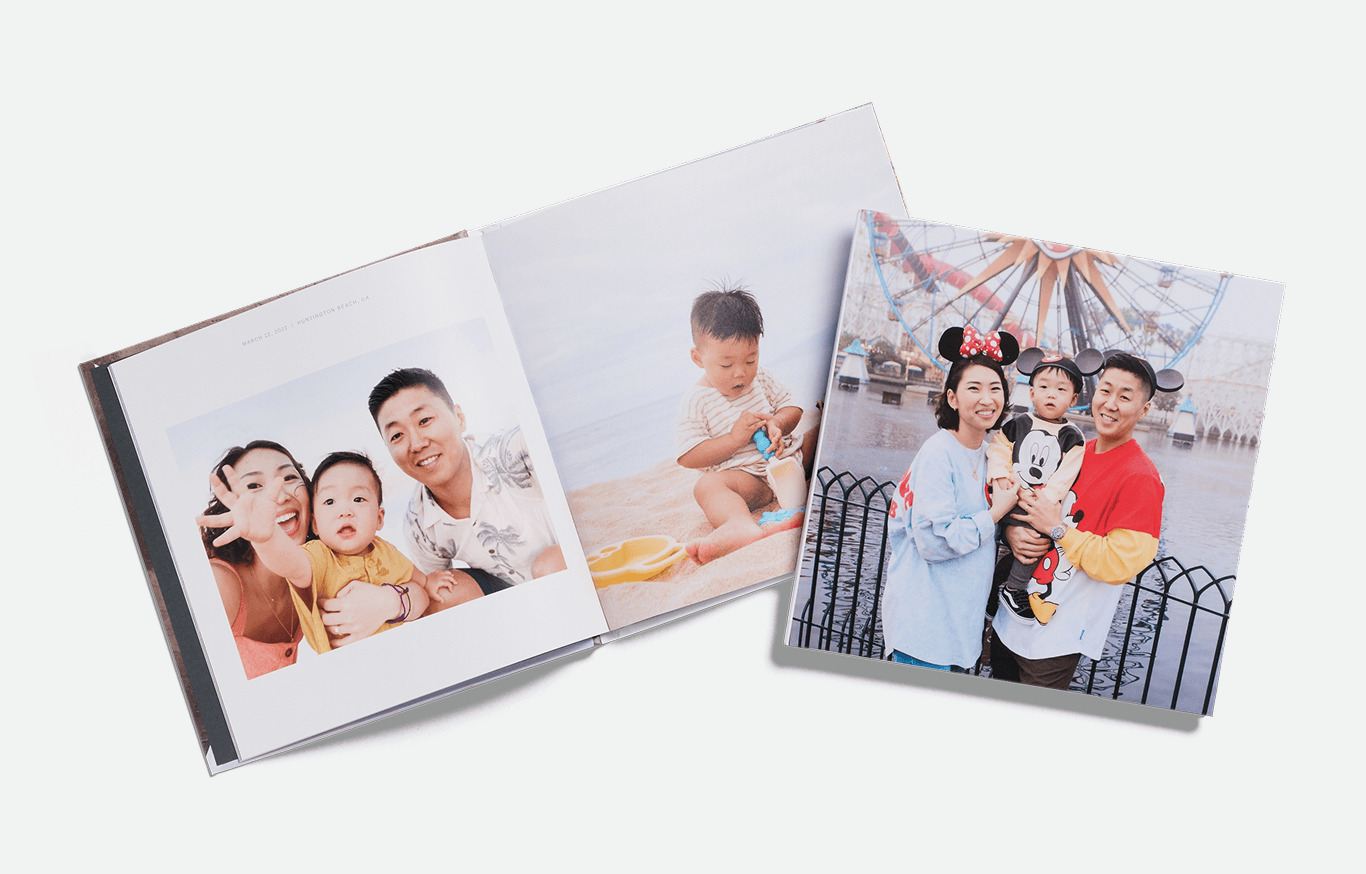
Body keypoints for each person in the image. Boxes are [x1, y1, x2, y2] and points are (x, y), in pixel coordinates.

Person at [991, 351, 1178, 689]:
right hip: (1011, 617)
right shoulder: (1073, 450)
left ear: (1145, 409)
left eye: (1125, 396)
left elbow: (1120, 562)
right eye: (1106, 391)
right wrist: (1011, 532)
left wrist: (1057, 529)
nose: (1111, 403)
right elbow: (1021, 498)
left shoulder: (1141, 477)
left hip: (1056, 637)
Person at [880, 326, 1022, 672]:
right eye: (974, 388)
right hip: (924, 631)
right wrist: (994, 515)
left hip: (962, 632)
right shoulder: (938, 454)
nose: (987, 399)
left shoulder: (993, 457)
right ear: (952, 398)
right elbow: (932, 542)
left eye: (995, 389)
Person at [199, 451, 432, 654]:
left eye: (358, 499)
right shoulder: (318, 557)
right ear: (316, 523)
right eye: (330, 501)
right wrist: (266, 536)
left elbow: (421, 585)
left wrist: (395, 600)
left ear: (380, 517)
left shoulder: (385, 550)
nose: (344, 511)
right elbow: (291, 562)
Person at [369, 367, 565, 595]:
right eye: (397, 435)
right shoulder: (417, 524)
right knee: (439, 593)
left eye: (424, 420)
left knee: (549, 564)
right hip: (512, 601)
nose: (417, 444)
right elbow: (434, 597)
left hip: (571, 568)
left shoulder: (516, 450)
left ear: (459, 418)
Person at [675, 285, 818, 565]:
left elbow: (793, 407)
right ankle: (739, 523)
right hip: (750, 482)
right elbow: (688, 456)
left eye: (750, 359)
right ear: (698, 358)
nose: (741, 372)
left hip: (790, 460)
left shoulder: (761, 378)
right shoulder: (697, 400)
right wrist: (733, 440)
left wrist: (778, 422)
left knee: (821, 429)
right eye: (726, 365)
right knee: (706, 486)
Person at [986, 350, 1093, 625]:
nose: (1051, 394)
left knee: (1034, 541)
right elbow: (998, 451)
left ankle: (1014, 588)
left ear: (1073, 399)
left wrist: (1042, 499)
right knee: (989, 533)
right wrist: (1002, 478)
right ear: (1031, 393)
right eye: (1044, 387)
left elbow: (1064, 476)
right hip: (1007, 496)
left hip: (1037, 505)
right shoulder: (1017, 424)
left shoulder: (1073, 437)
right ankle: (989, 591)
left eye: (1060, 389)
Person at [198, 441, 310, 678]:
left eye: (289, 478)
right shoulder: (219, 586)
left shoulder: (317, 570)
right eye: (253, 485)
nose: (278, 496)